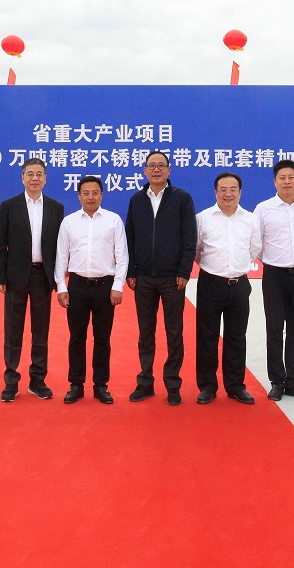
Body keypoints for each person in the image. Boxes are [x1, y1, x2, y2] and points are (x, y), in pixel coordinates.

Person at [125, 151, 197, 406]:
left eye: (161, 165)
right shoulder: (136, 200)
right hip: (143, 278)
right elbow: (130, 237)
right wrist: (131, 271)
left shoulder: (182, 198)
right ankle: (145, 382)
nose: (156, 170)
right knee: (146, 333)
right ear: (145, 170)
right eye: (151, 166)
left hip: (172, 279)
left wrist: (184, 271)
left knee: (174, 332)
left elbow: (189, 238)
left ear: (169, 169)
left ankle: (173, 384)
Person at [0, 158, 65, 402]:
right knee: (13, 331)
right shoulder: (9, 206)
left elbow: (60, 247)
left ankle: (38, 380)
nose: (35, 178)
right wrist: (0, 276)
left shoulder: (56, 207)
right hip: (15, 277)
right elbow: (0, 244)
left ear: (45, 178)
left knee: (40, 331)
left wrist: (58, 279)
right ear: (22, 178)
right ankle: (11, 381)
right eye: (30, 173)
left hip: (42, 276)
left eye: (39, 174)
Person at [55, 176, 128, 404]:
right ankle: (76, 385)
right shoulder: (69, 222)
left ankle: (101, 385)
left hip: (105, 287)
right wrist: (61, 286)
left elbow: (122, 256)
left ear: (102, 195)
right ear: (79, 196)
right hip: (77, 286)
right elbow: (61, 256)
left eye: (95, 193)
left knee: (102, 339)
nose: (90, 197)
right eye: (85, 193)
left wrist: (118, 286)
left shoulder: (113, 220)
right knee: (76, 338)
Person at [254, 159, 294, 402]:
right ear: (275, 181)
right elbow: (256, 242)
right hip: (274, 276)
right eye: (282, 178)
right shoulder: (263, 209)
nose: (287, 182)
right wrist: (272, 260)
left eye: (291, 177)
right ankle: (277, 381)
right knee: (274, 329)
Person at [194, 172, 261, 404]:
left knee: (236, 337)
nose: (228, 194)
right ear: (216, 193)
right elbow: (197, 250)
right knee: (207, 337)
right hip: (210, 284)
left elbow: (254, 249)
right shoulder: (203, 218)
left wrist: (237, 268)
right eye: (223, 189)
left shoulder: (250, 219)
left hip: (239, 285)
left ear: (240, 193)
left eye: (233, 189)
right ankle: (207, 386)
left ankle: (235, 386)